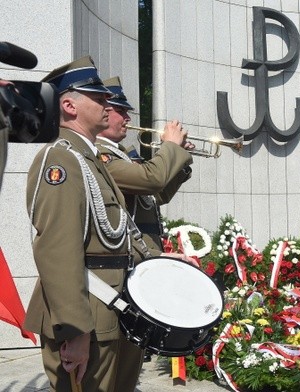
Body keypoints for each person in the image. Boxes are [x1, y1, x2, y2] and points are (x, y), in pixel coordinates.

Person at [25, 56, 141, 391]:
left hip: (110, 311)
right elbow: (56, 251)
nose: (108, 103)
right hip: (86, 314)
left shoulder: (91, 160)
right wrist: (74, 330)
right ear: (69, 106)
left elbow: (120, 231)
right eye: (98, 97)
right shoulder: (60, 160)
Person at [96, 76, 194, 251]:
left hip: (147, 248)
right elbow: (151, 179)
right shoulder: (101, 154)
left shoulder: (122, 154)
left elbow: (157, 197)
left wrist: (180, 159)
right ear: (103, 111)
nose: (127, 118)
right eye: (120, 111)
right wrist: (171, 146)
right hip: (130, 251)